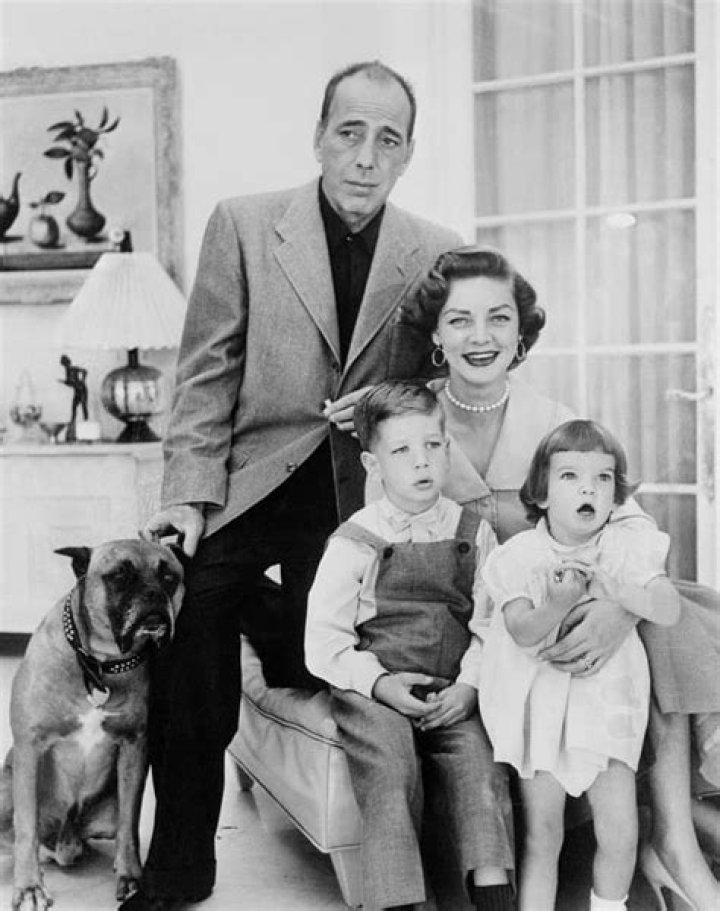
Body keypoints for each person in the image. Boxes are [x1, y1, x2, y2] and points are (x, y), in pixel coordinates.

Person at [128, 61, 461, 911]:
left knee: (309, 659)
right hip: (249, 482)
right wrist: (186, 498)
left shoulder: (435, 252)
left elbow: (436, 384)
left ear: (408, 154)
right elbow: (205, 374)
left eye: (387, 140)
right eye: (349, 133)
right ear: (319, 138)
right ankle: (178, 870)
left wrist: (382, 401)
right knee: (191, 634)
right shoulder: (244, 225)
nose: (365, 157)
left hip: (352, 501)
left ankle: (265, 610)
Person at [402, 244, 720, 910]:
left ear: (521, 332)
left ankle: (674, 837)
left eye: (499, 318)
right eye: (460, 320)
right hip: (477, 613)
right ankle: (676, 830)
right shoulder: (411, 422)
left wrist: (618, 610)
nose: (481, 337)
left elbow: (630, 526)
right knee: (670, 619)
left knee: (678, 611)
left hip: (570, 593)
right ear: (435, 335)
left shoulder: (551, 418)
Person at [305, 381, 515, 911]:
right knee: (390, 765)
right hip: (377, 689)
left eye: (432, 445)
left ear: (447, 448)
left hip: (451, 685)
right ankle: (398, 900)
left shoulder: (474, 531)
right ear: (373, 465)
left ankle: (492, 891)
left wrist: (469, 687)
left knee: (480, 763)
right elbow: (323, 641)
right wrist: (379, 684)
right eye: (401, 451)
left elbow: (491, 625)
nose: (421, 462)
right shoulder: (356, 540)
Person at [478, 419, 680, 911]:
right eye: (570, 476)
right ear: (541, 494)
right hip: (540, 710)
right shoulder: (519, 556)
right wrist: (557, 603)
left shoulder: (625, 550)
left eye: (603, 478)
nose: (589, 488)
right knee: (543, 835)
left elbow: (668, 607)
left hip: (607, 706)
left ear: (615, 497)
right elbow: (522, 630)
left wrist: (622, 592)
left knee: (620, 832)